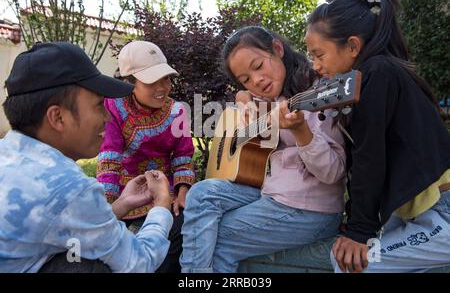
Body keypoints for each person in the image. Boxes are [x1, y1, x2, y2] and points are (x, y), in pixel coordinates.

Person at [180, 26, 347, 273]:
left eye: (258, 66)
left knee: (213, 240)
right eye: (246, 78)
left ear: (278, 49)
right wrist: (243, 100)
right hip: (273, 192)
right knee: (201, 194)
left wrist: (301, 132)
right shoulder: (273, 94)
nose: (256, 80)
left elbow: (333, 172)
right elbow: (241, 96)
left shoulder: (318, 92)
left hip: (309, 208)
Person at [305, 0, 450, 273]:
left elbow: (369, 155)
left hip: (441, 213)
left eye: (319, 54)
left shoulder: (377, 73)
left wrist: (360, 231)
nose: (316, 65)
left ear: (353, 46)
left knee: (351, 264)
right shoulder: (378, 73)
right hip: (419, 211)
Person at [0, 42, 174, 273]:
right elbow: (138, 263)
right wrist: (161, 205)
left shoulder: (8, 153)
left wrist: (121, 204)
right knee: (91, 265)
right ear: (58, 117)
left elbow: (63, 220)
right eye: (99, 106)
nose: (107, 117)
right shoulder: (68, 187)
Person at [96, 41, 195, 273]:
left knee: (178, 233)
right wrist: (107, 207)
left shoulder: (177, 111)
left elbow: (183, 155)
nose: (163, 87)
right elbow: (110, 157)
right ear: (129, 82)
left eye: (167, 79)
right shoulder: (113, 107)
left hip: (165, 191)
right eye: (152, 81)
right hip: (125, 193)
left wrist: (182, 193)